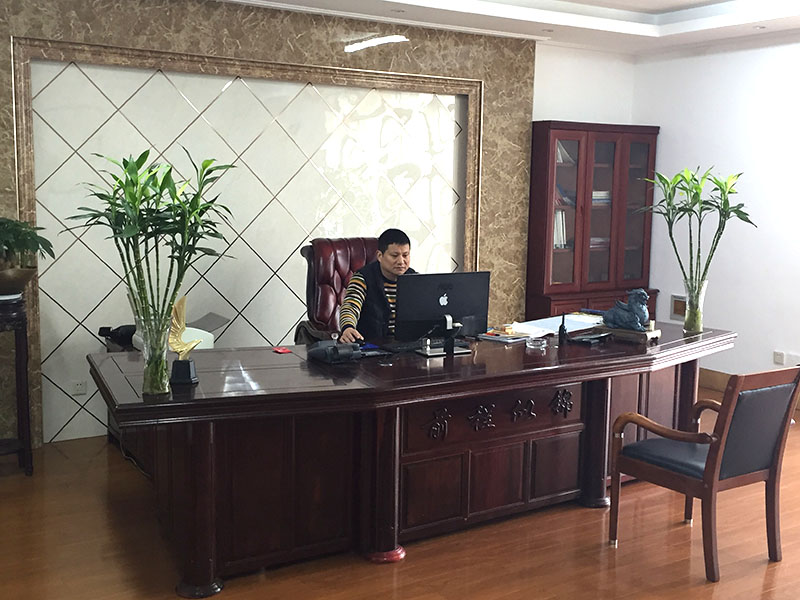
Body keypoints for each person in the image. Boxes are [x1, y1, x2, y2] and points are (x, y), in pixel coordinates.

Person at [338, 228, 416, 343]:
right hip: (373, 346)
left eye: (405, 255)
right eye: (394, 256)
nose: (401, 261)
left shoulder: (415, 279)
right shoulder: (363, 278)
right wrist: (348, 327)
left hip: (409, 346)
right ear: (380, 256)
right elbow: (350, 305)